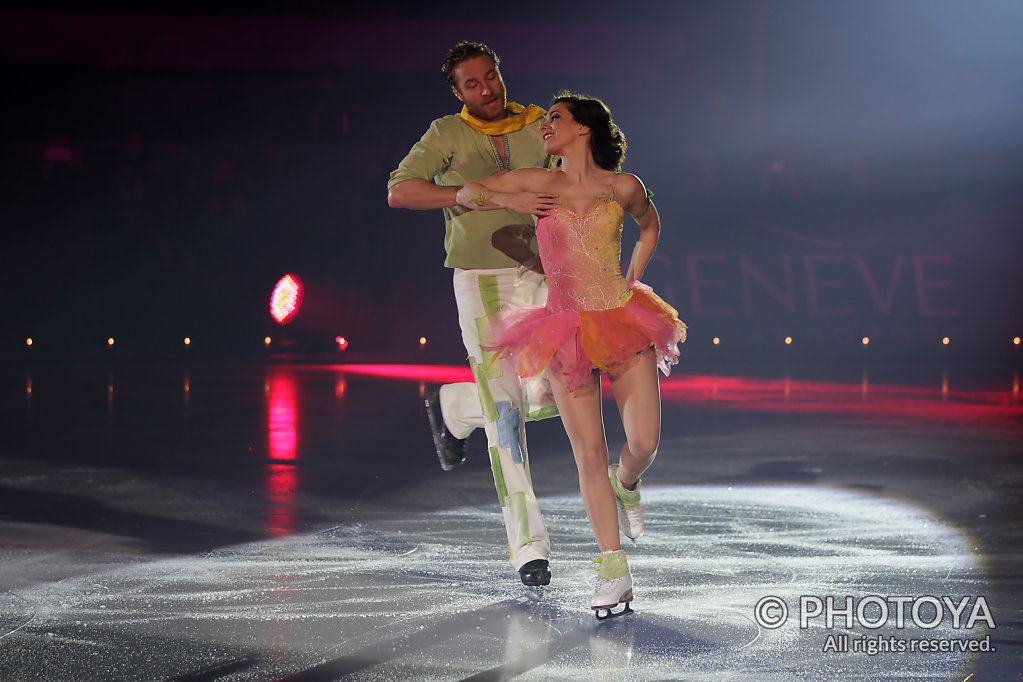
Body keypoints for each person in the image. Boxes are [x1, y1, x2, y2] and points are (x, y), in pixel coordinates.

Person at [455, 93, 686, 618]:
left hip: (621, 319)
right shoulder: (538, 183)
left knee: (644, 442)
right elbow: (470, 191)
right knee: (587, 452)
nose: (546, 126)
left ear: (584, 129)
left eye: (556, 118)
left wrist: (633, 276)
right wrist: (508, 202)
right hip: (562, 329)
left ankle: (625, 483)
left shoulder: (622, 186)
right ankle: (612, 569)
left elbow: (650, 224)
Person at [387, 42, 559, 588]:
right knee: (505, 415)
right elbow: (399, 192)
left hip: (542, 274)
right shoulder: (446, 133)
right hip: (481, 282)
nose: (487, 90)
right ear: (457, 92)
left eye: (492, 77)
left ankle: (454, 404)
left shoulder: (540, 123)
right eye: (473, 84)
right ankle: (528, 547)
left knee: (559, 390)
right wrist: (459, 193)